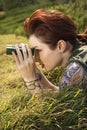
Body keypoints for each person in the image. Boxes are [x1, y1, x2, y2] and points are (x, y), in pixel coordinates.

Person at [12, 9, 87, 93]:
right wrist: (33, 69)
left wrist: (29, 79)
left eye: (39, 50)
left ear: (60, 46)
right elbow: (60, 92)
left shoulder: (76, 69)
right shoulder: (81, 50)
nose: (36, 59)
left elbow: (61, 105)